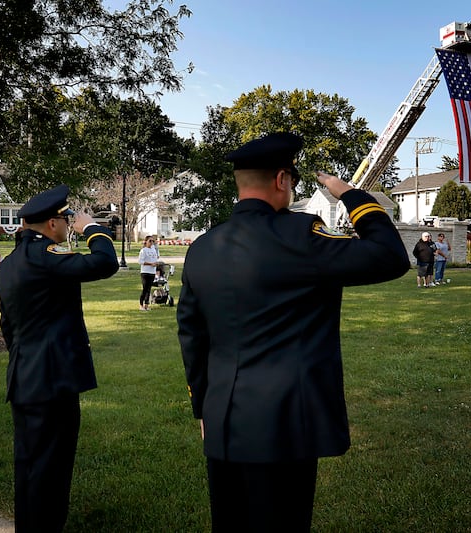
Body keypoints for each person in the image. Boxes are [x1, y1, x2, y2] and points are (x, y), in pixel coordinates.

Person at [176, 132, 410, 533]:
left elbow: (192, 336)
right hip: (285, 421)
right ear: (282, 180)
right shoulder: (302, 235)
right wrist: (351, 195)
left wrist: (203, 407)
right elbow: (390, 257)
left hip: (224, 416)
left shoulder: (203, 246)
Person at [0, 185, 118, 533]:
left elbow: (8, 325)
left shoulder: (9, 264)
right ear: (52, 224)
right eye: (65, 220)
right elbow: (105, 262)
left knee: (30, 465)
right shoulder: (44, 255)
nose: (68, 226)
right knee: (52, 467)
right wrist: (92, 227)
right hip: (52, 379)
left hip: (25, 374)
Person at [138, 235, 160, 311]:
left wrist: (156, 264)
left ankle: (146, 305)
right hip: (145, 272)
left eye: (152, 241)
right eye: (150, 241)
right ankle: (141, 305)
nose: (151, 243)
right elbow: (140, 261)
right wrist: (150, 264)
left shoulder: (154, 250)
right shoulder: (143, 250)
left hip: (152, 272)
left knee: (149, 289)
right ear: (146, 241)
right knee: (145, 288)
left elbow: (156, 258)